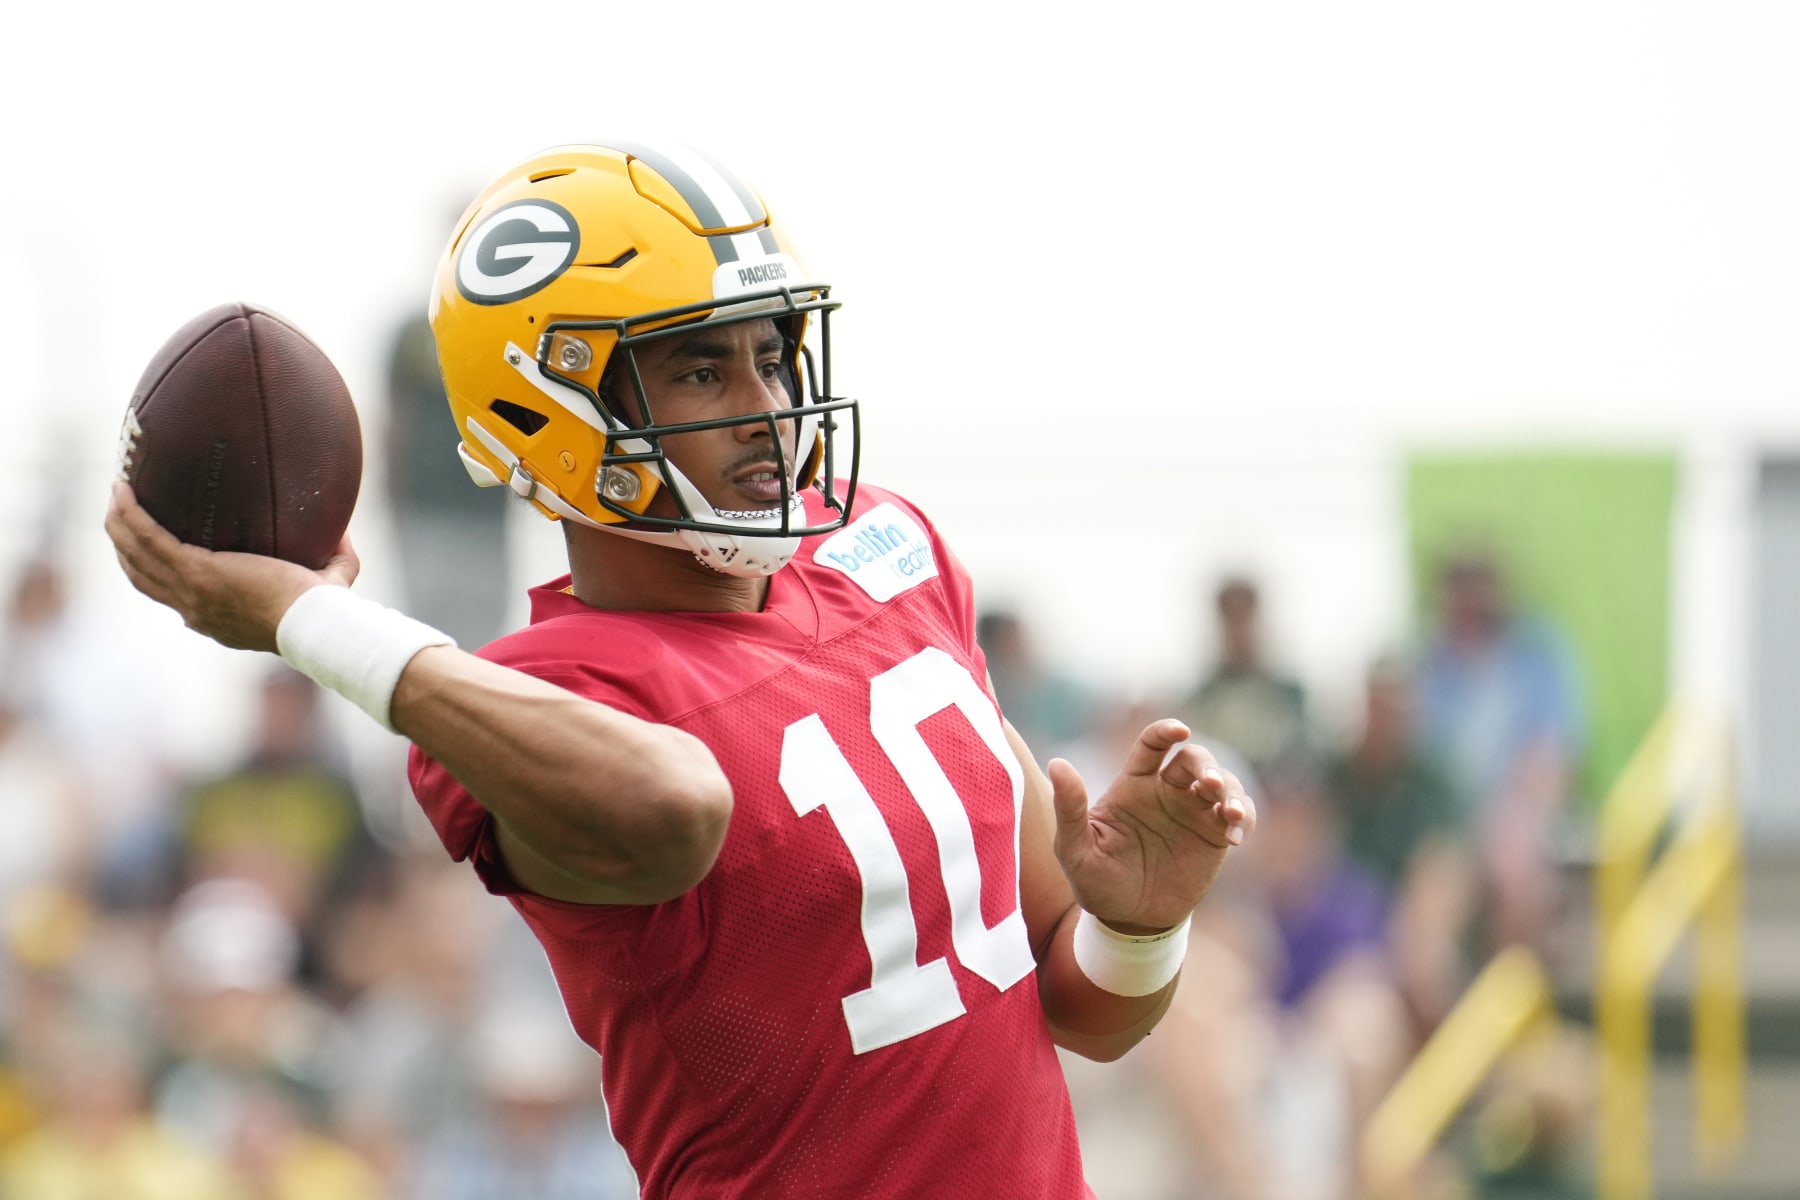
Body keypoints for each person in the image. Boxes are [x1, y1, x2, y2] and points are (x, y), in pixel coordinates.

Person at [105, 140, 1256, 1199]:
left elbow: (1079, 1009)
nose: (765, 409)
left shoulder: (887, 551)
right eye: (702, 373)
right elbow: (674, 804)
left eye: (771, 355)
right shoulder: (554, 686)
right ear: (549, 406)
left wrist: (1142, 929)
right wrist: (313, 620)